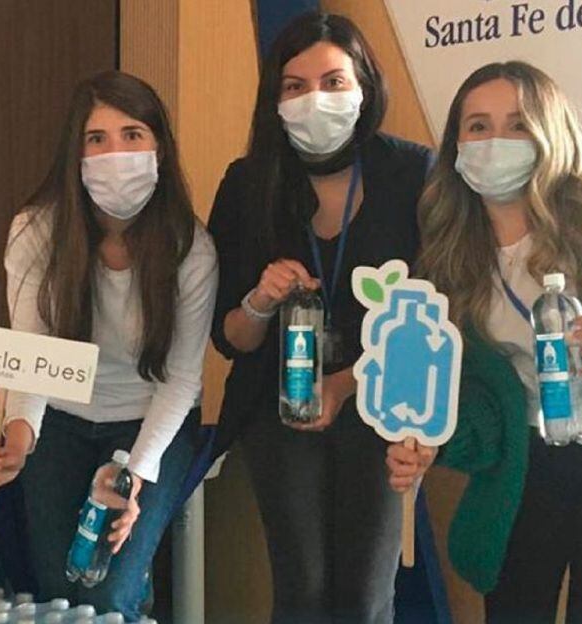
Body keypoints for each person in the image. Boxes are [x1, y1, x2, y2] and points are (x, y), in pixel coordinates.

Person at [387, 61, 582, 624]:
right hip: (521, 467)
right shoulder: (449, 261)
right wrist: (436, 438)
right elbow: (473, 397)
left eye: (518, 124)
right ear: (456, 145)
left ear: (551, 131)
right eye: (478, 126)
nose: (497, 141)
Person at [207, 12, 431, 624]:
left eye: (333, 82)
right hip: (279, 406)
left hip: (382, 402)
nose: (315, 99)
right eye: (295, 86)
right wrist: (259, 300)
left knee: (364, 598)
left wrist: (345, 383)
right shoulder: (247, 183)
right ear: (275, 100)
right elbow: (230, 338)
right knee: (301, 593)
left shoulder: (413, 174)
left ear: (364, 87)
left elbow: (436, 312)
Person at [0, 70, 217, 620]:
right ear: (76, 154)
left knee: (107, 595)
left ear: (159, 147)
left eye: (132, 135)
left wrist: (134, 475)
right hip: (59, 421)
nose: (116, 154)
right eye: (97, 139)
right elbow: (31, 355)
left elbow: (181, 379)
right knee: (60, 593)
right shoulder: (36, 231)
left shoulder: (191, 248)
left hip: (148, 422)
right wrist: (17, 443)